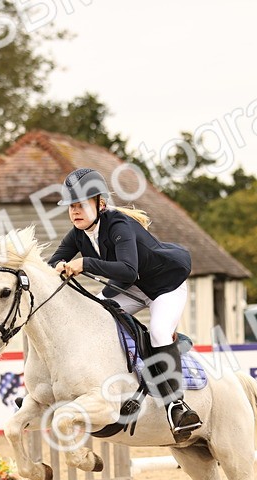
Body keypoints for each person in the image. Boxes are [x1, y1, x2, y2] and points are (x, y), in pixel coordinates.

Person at [47, 167, 202, 441]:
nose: (75, 212)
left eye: (81, 205)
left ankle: (177, 405)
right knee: (96, 315)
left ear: (100, 204)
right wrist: (58, 265)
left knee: (158, 332)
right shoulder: (79, 233)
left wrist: (84, 263)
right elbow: (55, 258)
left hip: (166, 285)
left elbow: (128, 270)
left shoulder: (118, 225)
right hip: (133, 289)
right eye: (71, 207)